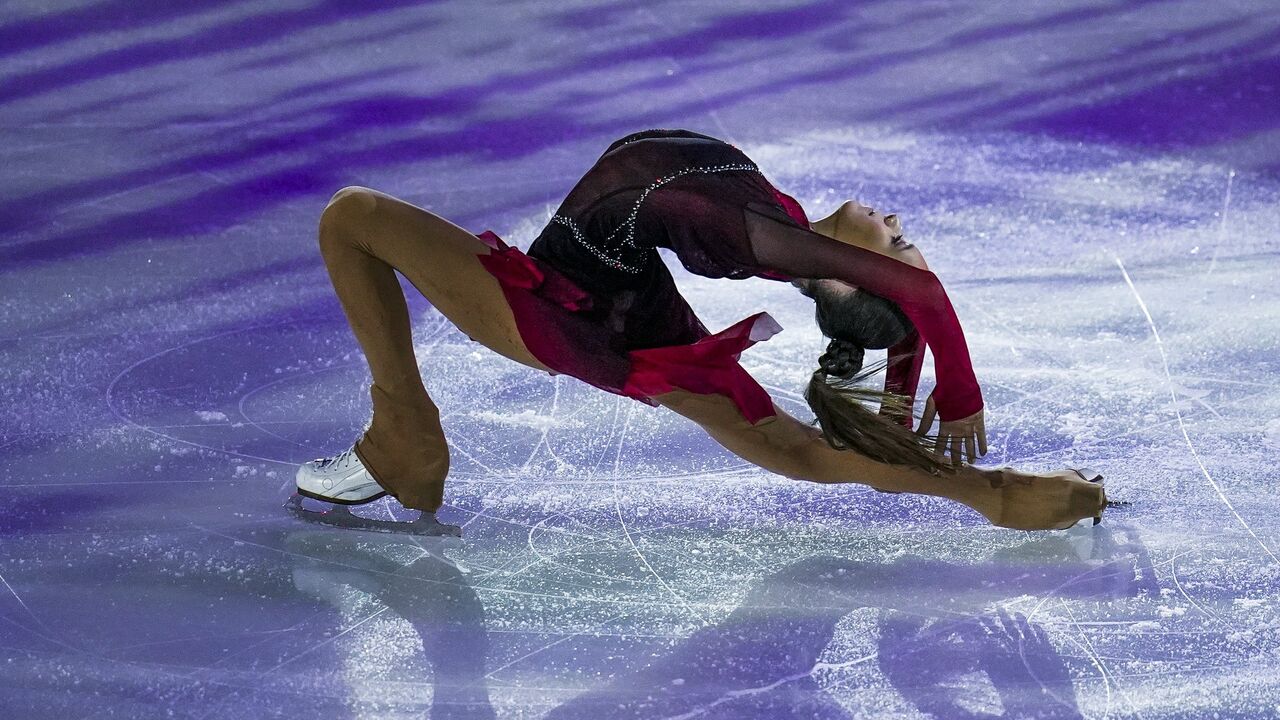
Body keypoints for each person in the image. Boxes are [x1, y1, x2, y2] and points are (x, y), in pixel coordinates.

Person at [293, 128, 1106, 534]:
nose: (895, 222)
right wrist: (907, 401)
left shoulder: (760, 238)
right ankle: (991, 495)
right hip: (632, 307)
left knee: (352, 216)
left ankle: (403, 434)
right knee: (794, 449)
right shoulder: (782, 229)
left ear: (845, 277)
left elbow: (919, 298)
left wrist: (957, 398)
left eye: (892, 239)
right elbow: (904, 312)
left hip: (553, 309)